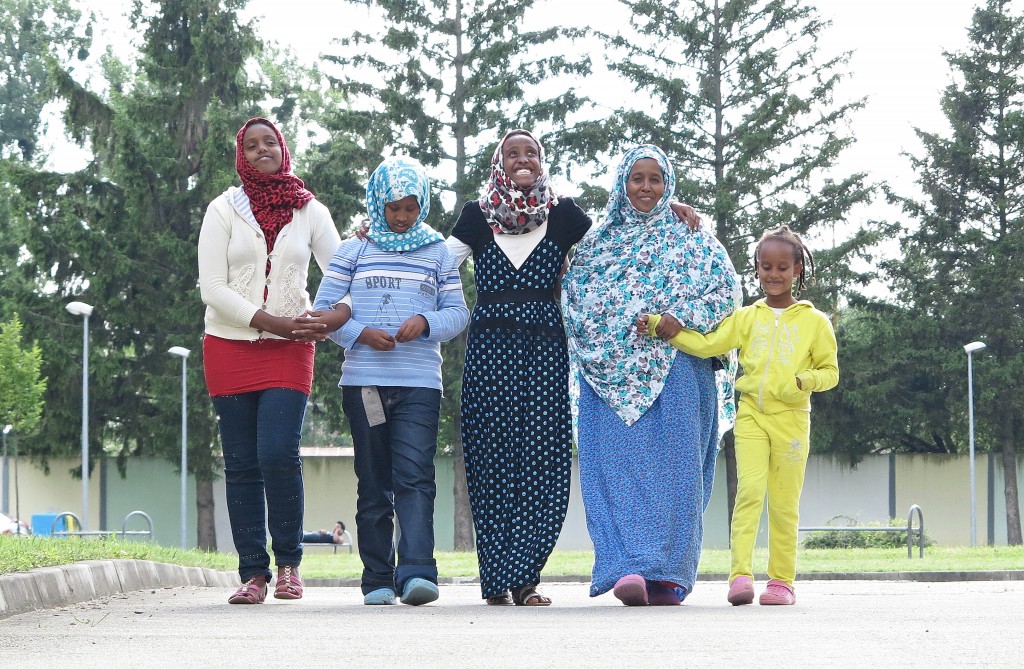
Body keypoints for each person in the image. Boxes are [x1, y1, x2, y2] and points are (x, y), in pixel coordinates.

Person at [562, 144, 739, 607]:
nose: (645, 187)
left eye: (655, 179)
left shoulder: (695, 237)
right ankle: (626, 568)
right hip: (609, 377)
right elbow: (575, 299)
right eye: (636, 178)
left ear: (669, 184)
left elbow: (726, 294)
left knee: (680, 473)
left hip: (680, 368)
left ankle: (670, 576)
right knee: (614, 470)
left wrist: (677, 318)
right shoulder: (596, 242)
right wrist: (617, 334)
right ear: (622, 183)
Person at [638, 224, 839, 607]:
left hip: (793, 422)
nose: (773, 275)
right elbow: (709, 344)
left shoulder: (815, 323)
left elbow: (831, 373)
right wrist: (663, 329)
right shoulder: (746, 318)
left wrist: (802, 381)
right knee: (748, 494)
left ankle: (781, 581)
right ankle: (740, 577)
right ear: (757, 269)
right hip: (751, 416)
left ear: (797, 269)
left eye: (782, 267)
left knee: (783, 503)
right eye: (766, 267)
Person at [311, 156, 469, 606]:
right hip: (364, 383)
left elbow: (458, 313)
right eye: (393, 208)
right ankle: (377, 578)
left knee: (415, 477)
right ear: (377, 202)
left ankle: (417, 571)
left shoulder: (438, 252)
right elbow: (323, 313)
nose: (402, 217)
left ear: (423, 204)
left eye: (411, 207)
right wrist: (359, 332)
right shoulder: (353, 249)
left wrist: (425, 321)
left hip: (419, 384)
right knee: (374, 480)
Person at [198, 117, 339, 605]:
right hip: (228, 346)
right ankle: (253, 573)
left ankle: (290, 566)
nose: (263, 150)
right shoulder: (223, 210)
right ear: (242, 157)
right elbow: (212, 289)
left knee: (277, 453)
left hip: (291, 348)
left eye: (270, 143)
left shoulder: (310, 211)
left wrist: (328, 315)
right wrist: (269, 320)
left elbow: (339, 271)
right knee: (240, 463)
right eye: (252, 145)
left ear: (283, 149)